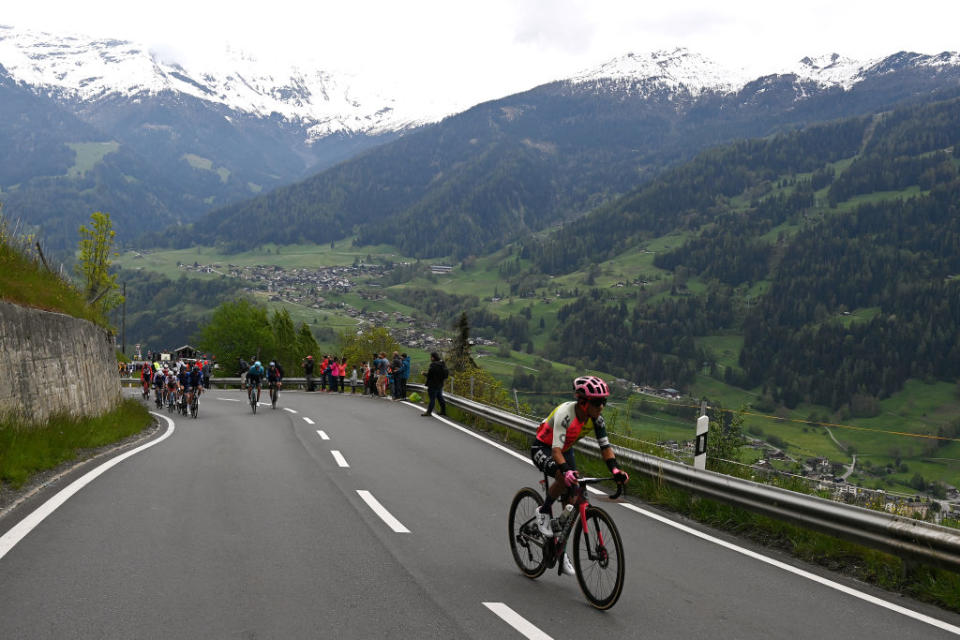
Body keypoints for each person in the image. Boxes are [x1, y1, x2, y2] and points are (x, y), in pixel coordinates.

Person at [530, 375, 630, 575]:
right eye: (596, 402)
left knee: (572, 498)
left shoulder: (596, 420)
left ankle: (560, 549)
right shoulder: (565, 414)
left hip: (565, 450)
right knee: (562, 476)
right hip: (544, 447)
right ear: (583, 402)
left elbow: (606, 448)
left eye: (604, 401)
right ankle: (544, 510)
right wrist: (565, 471)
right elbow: (556, 452)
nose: (601, 406)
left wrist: (616, 471)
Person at [421, 352, 448, 416]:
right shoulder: (442, 364)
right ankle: (443, 411)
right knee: (440, 398)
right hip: (440, 384)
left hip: (433, 385)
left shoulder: (433, 365)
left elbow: (430, 375)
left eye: (431, 357)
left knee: (432, 399)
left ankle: (429, 412)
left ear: (433, 357)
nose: (430, 358)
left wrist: (423, 373)